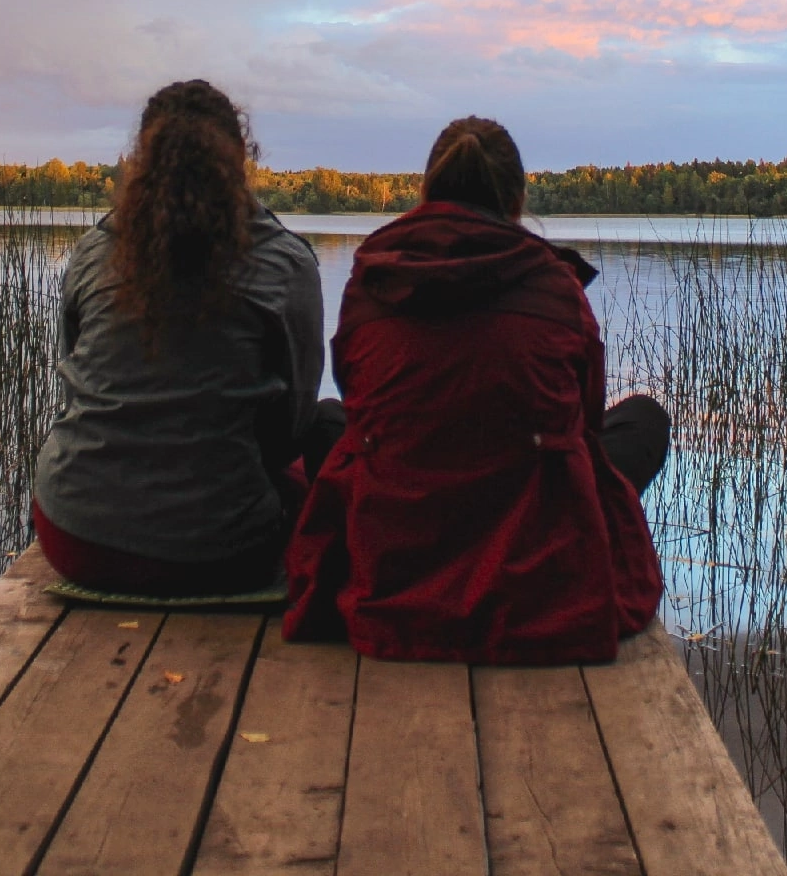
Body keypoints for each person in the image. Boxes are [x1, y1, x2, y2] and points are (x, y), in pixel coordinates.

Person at [283, 116, 668, 663]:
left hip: (397, 559)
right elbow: (583, 425)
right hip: (529, 568)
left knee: (329, 420)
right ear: (517, 200)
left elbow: (357, 401)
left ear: (426, 191)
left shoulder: (372, 283)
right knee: (644, 419)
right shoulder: (556, 288)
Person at [33, 79, 334, 595]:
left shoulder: (93, 253)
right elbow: (293, 424)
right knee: (329, 426)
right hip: (222, 550)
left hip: (78, 540)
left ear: (140, 159)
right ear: (241, 156)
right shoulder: (285, 262)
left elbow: (73, 388)